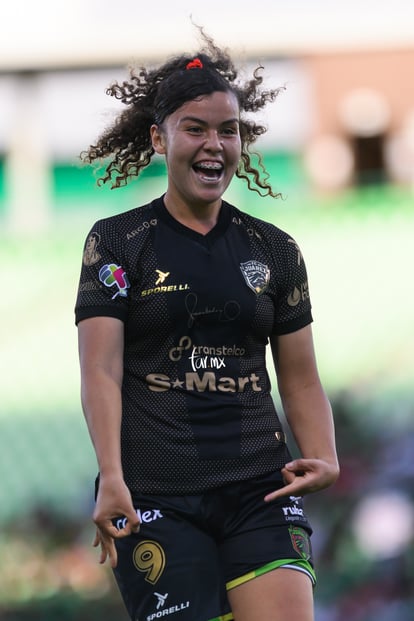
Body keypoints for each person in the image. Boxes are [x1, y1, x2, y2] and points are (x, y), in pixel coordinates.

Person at [75, 29, 339, 621]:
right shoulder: (117, 242)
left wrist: (323, 452)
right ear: (158, 138)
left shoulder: (274, 250)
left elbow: (298, 379)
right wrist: (112, 477)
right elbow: (100, 369)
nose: (214, 144)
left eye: (228, 130)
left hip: (260, 488)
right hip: (152, 494)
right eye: (195, 127)